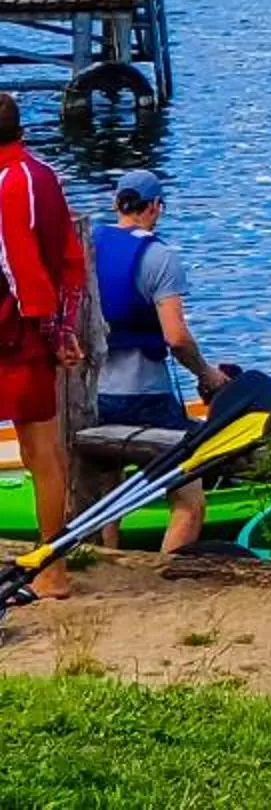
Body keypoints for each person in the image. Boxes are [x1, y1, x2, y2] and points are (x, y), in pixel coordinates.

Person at [94, 169, 226, 555]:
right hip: (146, 398)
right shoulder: (160, 257)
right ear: (155, 208)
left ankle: (106, 565)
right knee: (189, 503)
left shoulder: (89, 243)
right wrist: (206, 373)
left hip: (95, 395)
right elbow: (176, 338)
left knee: (106, 498)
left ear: (116, 203)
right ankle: (164, 571)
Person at [0, 94, 87, 597]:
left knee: (40, 448)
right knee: (43, 448)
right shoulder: (44, 174)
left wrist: (48, 329)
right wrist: (65, 325)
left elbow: (19, 265)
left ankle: (52, 568)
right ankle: (54, 563)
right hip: (33, 326)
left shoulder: (9, 183)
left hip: (13, 329)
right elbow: (70, 257)